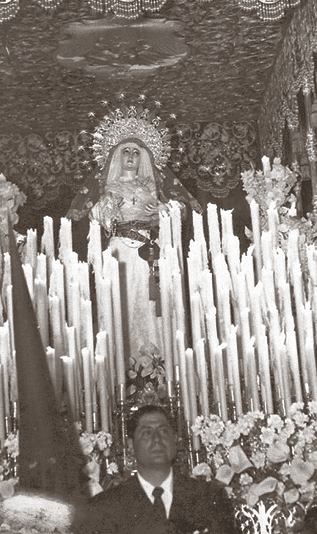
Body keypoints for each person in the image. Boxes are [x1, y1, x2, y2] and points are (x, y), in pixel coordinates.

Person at [67, 102, 199, 360]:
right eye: (125, 151)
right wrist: (108, 207)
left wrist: (162, 208)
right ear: (117, 156)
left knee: (151, 305)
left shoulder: (152, 187)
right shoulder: (110, 188)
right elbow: (97, 218)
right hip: (120, 252)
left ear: (143, 157)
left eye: (135, 152)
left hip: (150, 252)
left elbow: (178, 213)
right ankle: (124, 362)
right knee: (123, 302)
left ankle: (156, 363)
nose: (130, 156)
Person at [82, 404, 236, 534]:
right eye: (146, 433)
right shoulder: (106, 507)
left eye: (163, 431)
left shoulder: (209, 498)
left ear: (175, 440)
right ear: (130, 446)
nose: (157, 439)